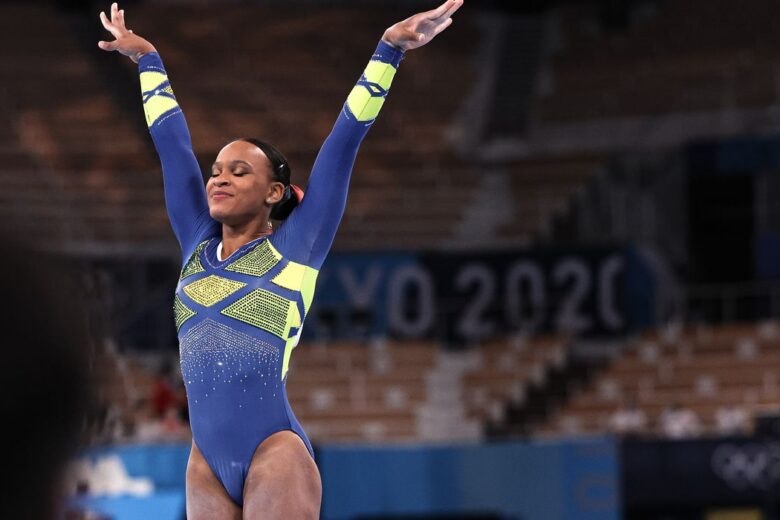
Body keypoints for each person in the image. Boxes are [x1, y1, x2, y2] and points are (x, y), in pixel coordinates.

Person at [97, 1, 463, 518]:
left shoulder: (297, 248)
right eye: (217, 169)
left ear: (273, 192)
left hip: (275, 452)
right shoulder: (196, 243)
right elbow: (173, 149)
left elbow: (344, 144)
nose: (219, 178)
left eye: (239, 172)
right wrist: (149, 61)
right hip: (203, 462)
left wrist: (389, 50)